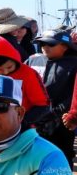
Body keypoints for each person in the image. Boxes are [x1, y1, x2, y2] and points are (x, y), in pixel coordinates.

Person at [30, 30, 77, 165]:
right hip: (35, 121)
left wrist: (55, 113)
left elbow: (72, 95)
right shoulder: (33, 60)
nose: (45, 47)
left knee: (61, 156)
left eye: (51, 44)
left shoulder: (73, 64)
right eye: (42, 43)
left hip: (61, 122)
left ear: (65, 46)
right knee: (36, 158)